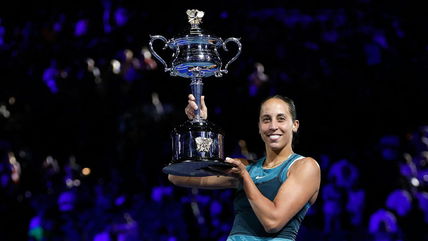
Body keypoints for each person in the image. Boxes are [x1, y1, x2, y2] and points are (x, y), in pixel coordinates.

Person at [169, 94, 321, 241]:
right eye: (266, 120)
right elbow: (177, 175)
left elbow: (272, 222)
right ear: (259, 127)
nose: (273, 126)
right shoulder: (248, 167)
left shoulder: (305, 166)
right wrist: (199, 128)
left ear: (295, 125)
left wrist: (244, 176)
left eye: (281, 119)